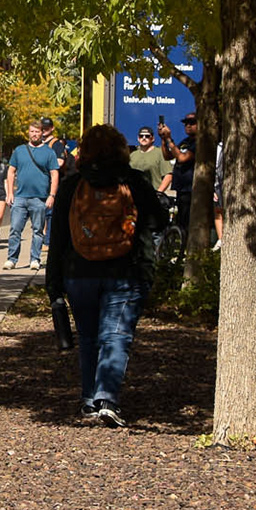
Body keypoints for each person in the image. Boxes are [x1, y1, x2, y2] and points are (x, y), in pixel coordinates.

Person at [44, 124, 167, 427]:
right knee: (117, 335)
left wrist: (53, 285)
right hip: (126, 271)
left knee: (88, 337)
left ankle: (88, 401)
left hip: (78, 273)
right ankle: (107, 399)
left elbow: (57, 237)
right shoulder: (134, 183)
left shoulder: (72, 186)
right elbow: (158, 221)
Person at [4, 121, 59, 270]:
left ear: (42, 133)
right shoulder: (19, 150)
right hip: (20, 197)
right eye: (32, 131)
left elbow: (55, 174)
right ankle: (11, 259)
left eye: (37, 132)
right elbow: (11, 171)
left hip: (40, 198)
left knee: (37, 231)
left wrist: (52, 195)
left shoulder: (49, 152)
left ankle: (35, 259)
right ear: (28, 133)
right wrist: (9, 193)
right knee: (15, 229)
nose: (34, 134)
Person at [129, 126, 172, 193]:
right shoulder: (132, 155)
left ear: (152, 138)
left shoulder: (160, 153)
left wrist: (159, 193)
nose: (144, 138)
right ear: (138, 138)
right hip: (133, 195)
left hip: (152, 195)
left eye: (147, 136)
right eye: (141, 136)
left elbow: (168, 176)